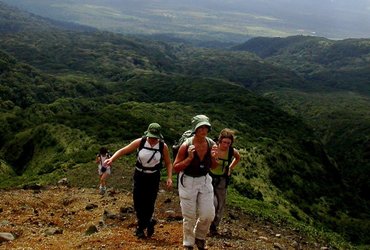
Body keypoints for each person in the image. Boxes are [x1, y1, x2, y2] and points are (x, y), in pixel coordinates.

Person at [104, 123, 173, 239]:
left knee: (150, 202)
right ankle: (148, 222)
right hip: (140, 175)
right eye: (151, 137)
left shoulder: (162, 146)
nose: (152, 140)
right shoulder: (140, 142)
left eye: (155, 138)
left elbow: (168, 163)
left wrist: (169, 177)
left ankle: (140, 228)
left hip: (153, 177)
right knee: (138, 201)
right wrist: (111, 159)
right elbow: (123, 150)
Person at [173, 115, 219, 250]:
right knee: (189, 215)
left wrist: (214, 158)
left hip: (204, 180)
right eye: (200, 127)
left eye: (206, 127)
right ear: (195, 129)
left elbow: (214, 167)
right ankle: (188, 242)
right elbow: (176, 167)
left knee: (208, 214)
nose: (203, 130)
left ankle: (200, 236)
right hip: (188, 181)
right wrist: (189, 158)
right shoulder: (186, 146)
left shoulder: (211, 144)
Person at [209, 128, 240, 236]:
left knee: (220, 204)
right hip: (210, 178)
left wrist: (230, 168)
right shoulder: (213, 149)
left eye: (229, 143)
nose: (226, 145)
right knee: (211, 202)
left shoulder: (231, 151)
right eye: (224, 142)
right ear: (219, 141)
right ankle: (205, 224)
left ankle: (214, 227)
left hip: (222, 179)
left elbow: (238, 158)